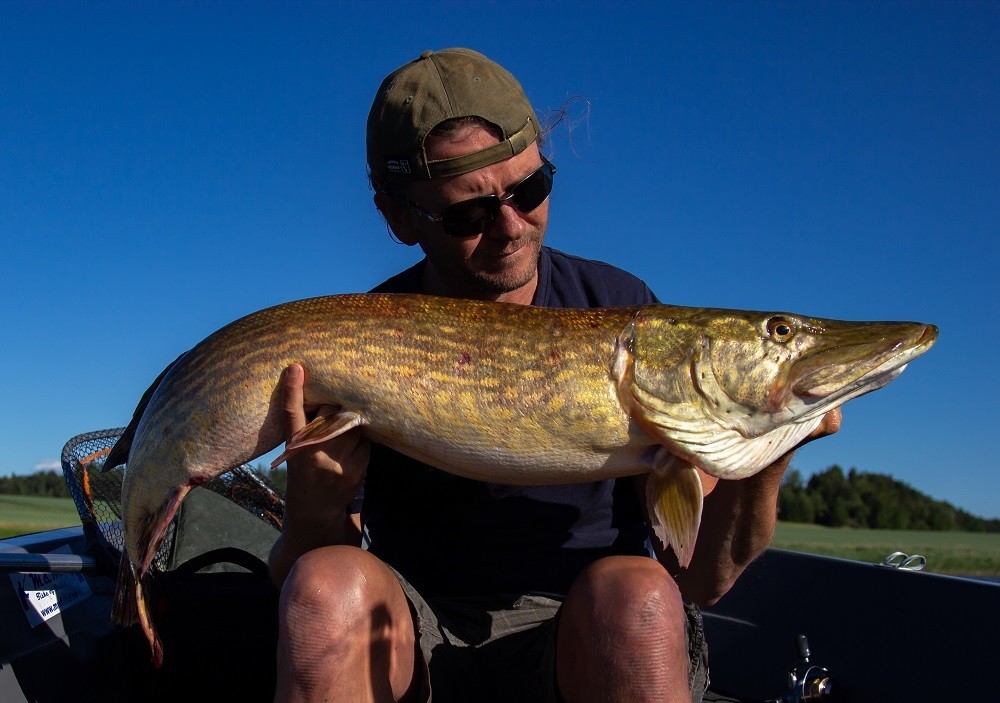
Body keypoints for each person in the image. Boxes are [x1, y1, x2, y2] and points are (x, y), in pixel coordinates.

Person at [267, 48, 840, 703]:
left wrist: (769, 444)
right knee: (325, 592)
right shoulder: (361, 336)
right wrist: (316, 506)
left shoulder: (623, 312)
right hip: (411, 621)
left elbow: (701, 579)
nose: (511, 227)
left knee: (641, 600)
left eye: (531, 189)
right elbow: (299, 574)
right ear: (399, 218)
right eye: (467, 215)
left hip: (580, 628)